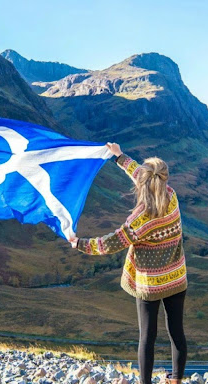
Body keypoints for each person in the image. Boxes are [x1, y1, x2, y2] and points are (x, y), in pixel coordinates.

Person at [69, 142, 188, 384]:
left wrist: (79, 243)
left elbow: (111, 243)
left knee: (147, 336)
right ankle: (175, 380)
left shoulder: (140, 219)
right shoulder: (171, 197)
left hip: (150, 285)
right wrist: (119, 157)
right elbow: (144, 178)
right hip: (177, 278)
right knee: (177, 332)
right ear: (164, 179)